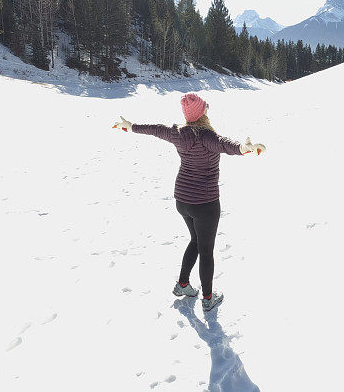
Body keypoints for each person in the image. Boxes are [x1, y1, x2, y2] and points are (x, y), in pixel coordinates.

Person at [112, 93, 266, 312]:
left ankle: (183, 284)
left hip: (183, 200)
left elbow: (156, 129)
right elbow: (225, 144)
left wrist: (131, 125)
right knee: (206, 250)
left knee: (195, 240)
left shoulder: (178, 133)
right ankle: (208, 298)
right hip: (205, 203)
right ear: (203, 112)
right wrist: (243, 148)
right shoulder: (207, 136)